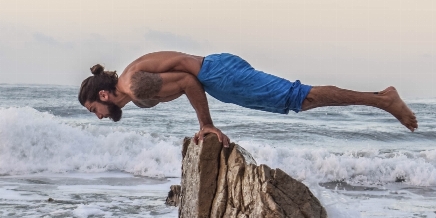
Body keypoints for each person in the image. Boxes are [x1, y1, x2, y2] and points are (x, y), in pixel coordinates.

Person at [78, 51, 418, 145]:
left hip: (217, 75)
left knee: (299, 97)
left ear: (104, 95)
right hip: (218, 73)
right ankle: (381, 100)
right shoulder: (133, 89)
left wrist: (206, 125)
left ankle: (383, 99)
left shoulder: (134, 86)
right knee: (296, 101)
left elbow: (185, 82)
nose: (100, 116)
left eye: (95, 109)